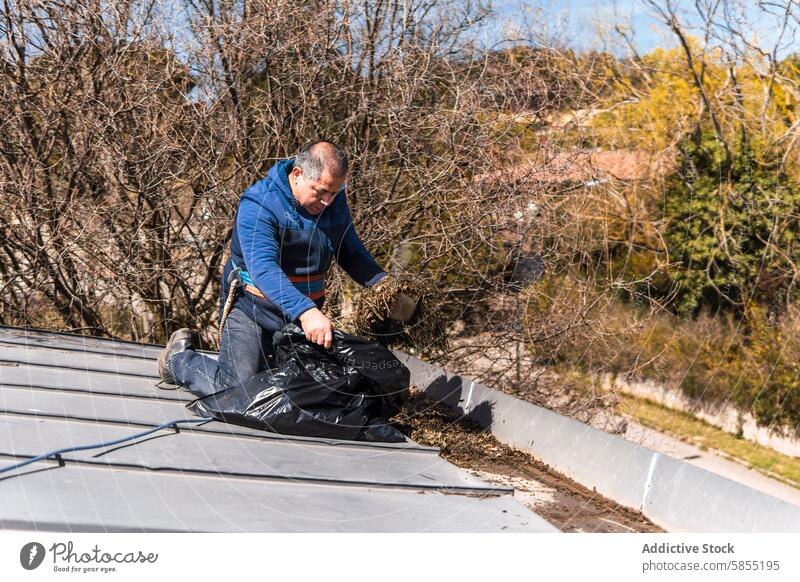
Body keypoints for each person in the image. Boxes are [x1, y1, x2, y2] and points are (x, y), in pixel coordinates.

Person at [157, 141, 388, 397]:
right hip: (252, 308)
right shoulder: (259, 205)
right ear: (298, 174)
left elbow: (351, 252)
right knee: (236, 390)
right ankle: (177, 360)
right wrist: (307, 312)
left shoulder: (333, 202)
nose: (327, 201)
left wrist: (385, 286)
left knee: (300, 391)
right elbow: (263, 269)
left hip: (300, 316)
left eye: (334, 192)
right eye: (321, 191)